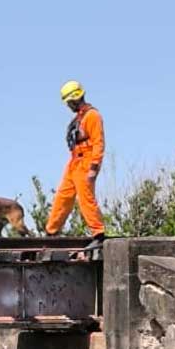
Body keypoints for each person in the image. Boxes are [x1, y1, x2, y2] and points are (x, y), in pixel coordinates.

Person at [46, 80, 106, 247]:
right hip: (74, 161)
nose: (68, 106)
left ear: (74, 99)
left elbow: (98, 143)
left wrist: (94, 167)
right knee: (62, 196)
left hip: (86, 160)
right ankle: (51, 232)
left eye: (68, 102)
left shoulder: (92, 116)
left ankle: (99, 234)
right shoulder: (79, 117)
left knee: (85, 198)